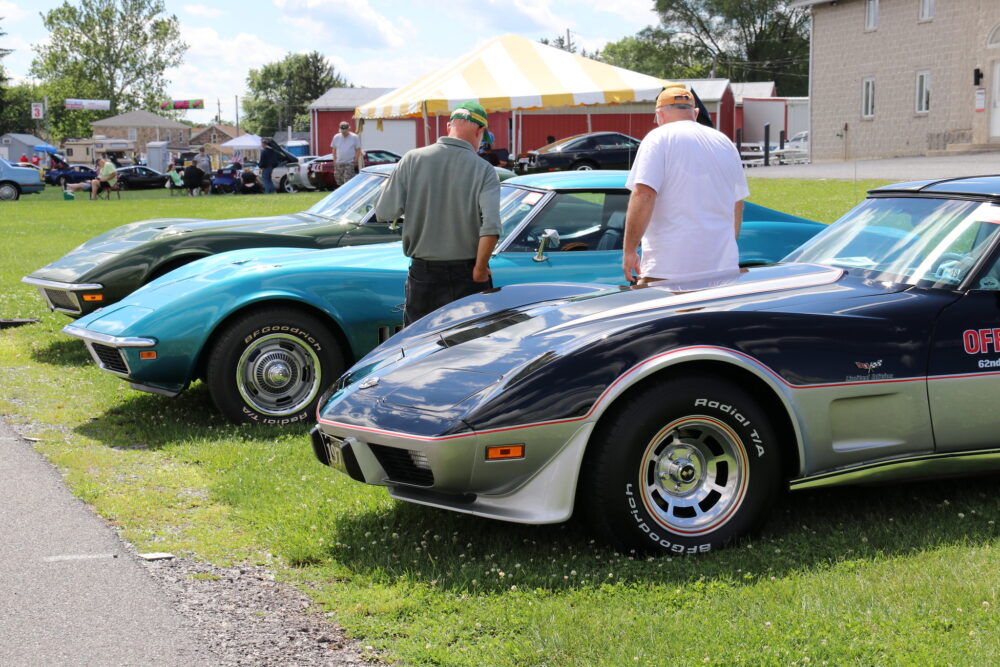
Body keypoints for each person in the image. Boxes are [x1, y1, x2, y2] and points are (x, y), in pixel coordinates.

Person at [375, 101, 501, 326]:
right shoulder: (484, 169)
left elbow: (385, 211)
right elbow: (490, 227)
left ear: (448, 126)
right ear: (480, 131)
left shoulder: (412, 159)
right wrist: (480, 270)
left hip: (424, 274)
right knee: (470, 349)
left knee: (419, 348)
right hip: (468, 274)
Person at [622, 86, 748, 287]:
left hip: (670, 268)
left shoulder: (658, 138)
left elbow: (644, 195)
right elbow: (737, 203)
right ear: (695, 113)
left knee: (663, 318)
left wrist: (629, 251)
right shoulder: (725, 142)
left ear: (659, 115)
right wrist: (726, 250)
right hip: (722, 268)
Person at [330, 121, 361, 187]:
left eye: (345, 131)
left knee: (347, 181)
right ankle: (342, 195)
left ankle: (348, 194)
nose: (343, 133)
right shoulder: (336, 137)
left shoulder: (354, 137)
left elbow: (358, 149)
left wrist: (355, 160)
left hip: (349, 162)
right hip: (339, 162)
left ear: (348, 129)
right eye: (342, 131)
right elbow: (334, 149)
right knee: (339, 181)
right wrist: (334, 160)